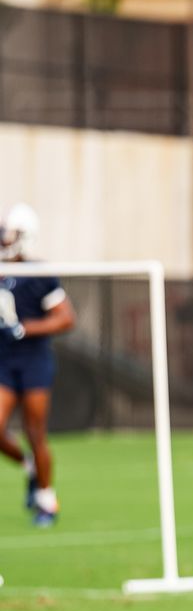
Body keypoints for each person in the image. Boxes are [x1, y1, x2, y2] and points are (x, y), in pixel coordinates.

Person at [0, 203, 76, 527]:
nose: (5, 239)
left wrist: (26, 328)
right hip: (3, 361)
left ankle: (47, 499)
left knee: (35, 432)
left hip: (33, 362)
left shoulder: (38, 273)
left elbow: (65, 318)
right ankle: (29, 466)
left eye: (12, 233)